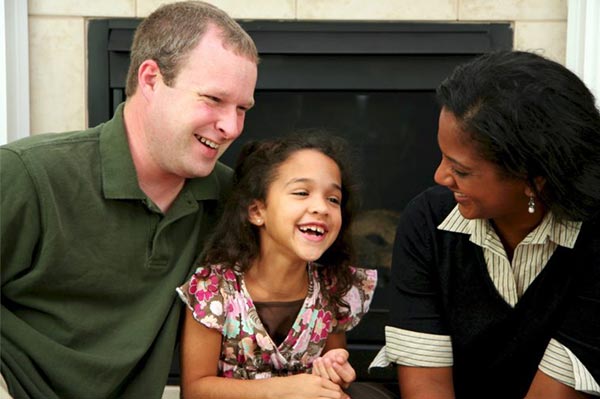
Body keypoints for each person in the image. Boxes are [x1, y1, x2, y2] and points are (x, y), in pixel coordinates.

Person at [0, 2, 258, 398]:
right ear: (151, 79)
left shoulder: (230, 200)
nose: (230, 127)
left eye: (242, 108)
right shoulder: (28, 174)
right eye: (213, 99)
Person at [370, 50, 600, 398]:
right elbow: (426, 390)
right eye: (443, 158)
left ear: (534, 178)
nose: (439, 176)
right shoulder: (428, 222)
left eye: (461, 170)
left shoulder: (594, 236)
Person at [176, 133, 379, 399]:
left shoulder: (333, 287)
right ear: (257, 211)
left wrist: (333, 371)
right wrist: (285, 389)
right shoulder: (214, 290)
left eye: (333, 199)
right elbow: (195, 390)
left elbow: (330, 378)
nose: (321, 207)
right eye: (301, 192)